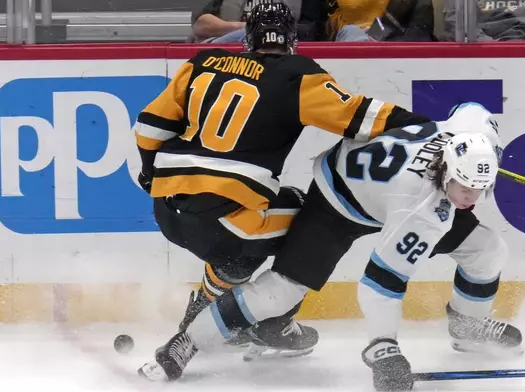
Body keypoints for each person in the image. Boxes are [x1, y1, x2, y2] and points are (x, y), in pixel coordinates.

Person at [134, 0, 429, 382]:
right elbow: (360, 117)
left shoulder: (200, 63)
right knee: (313, 223)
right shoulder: (297, 74)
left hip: (167, 208)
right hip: (228, 215)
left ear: (248, 37)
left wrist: (148, 174)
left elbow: (148, 128)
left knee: (249, 235)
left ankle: (202, 310)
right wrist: (425, 126)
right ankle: (274, 325)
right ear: (291, 39)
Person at [140, 103, 523, 389]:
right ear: (445, 171)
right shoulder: (423, 209)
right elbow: (380, 284)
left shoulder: (467, 145)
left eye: (479, 189)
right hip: (337, 200)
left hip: (382, 183)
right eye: (464, 188)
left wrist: (489, 154)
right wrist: (383, 347)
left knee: (486, 249)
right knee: (282, 290)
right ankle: (185, 341)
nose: (470, 198)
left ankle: (467, 326)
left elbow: (470, 110)